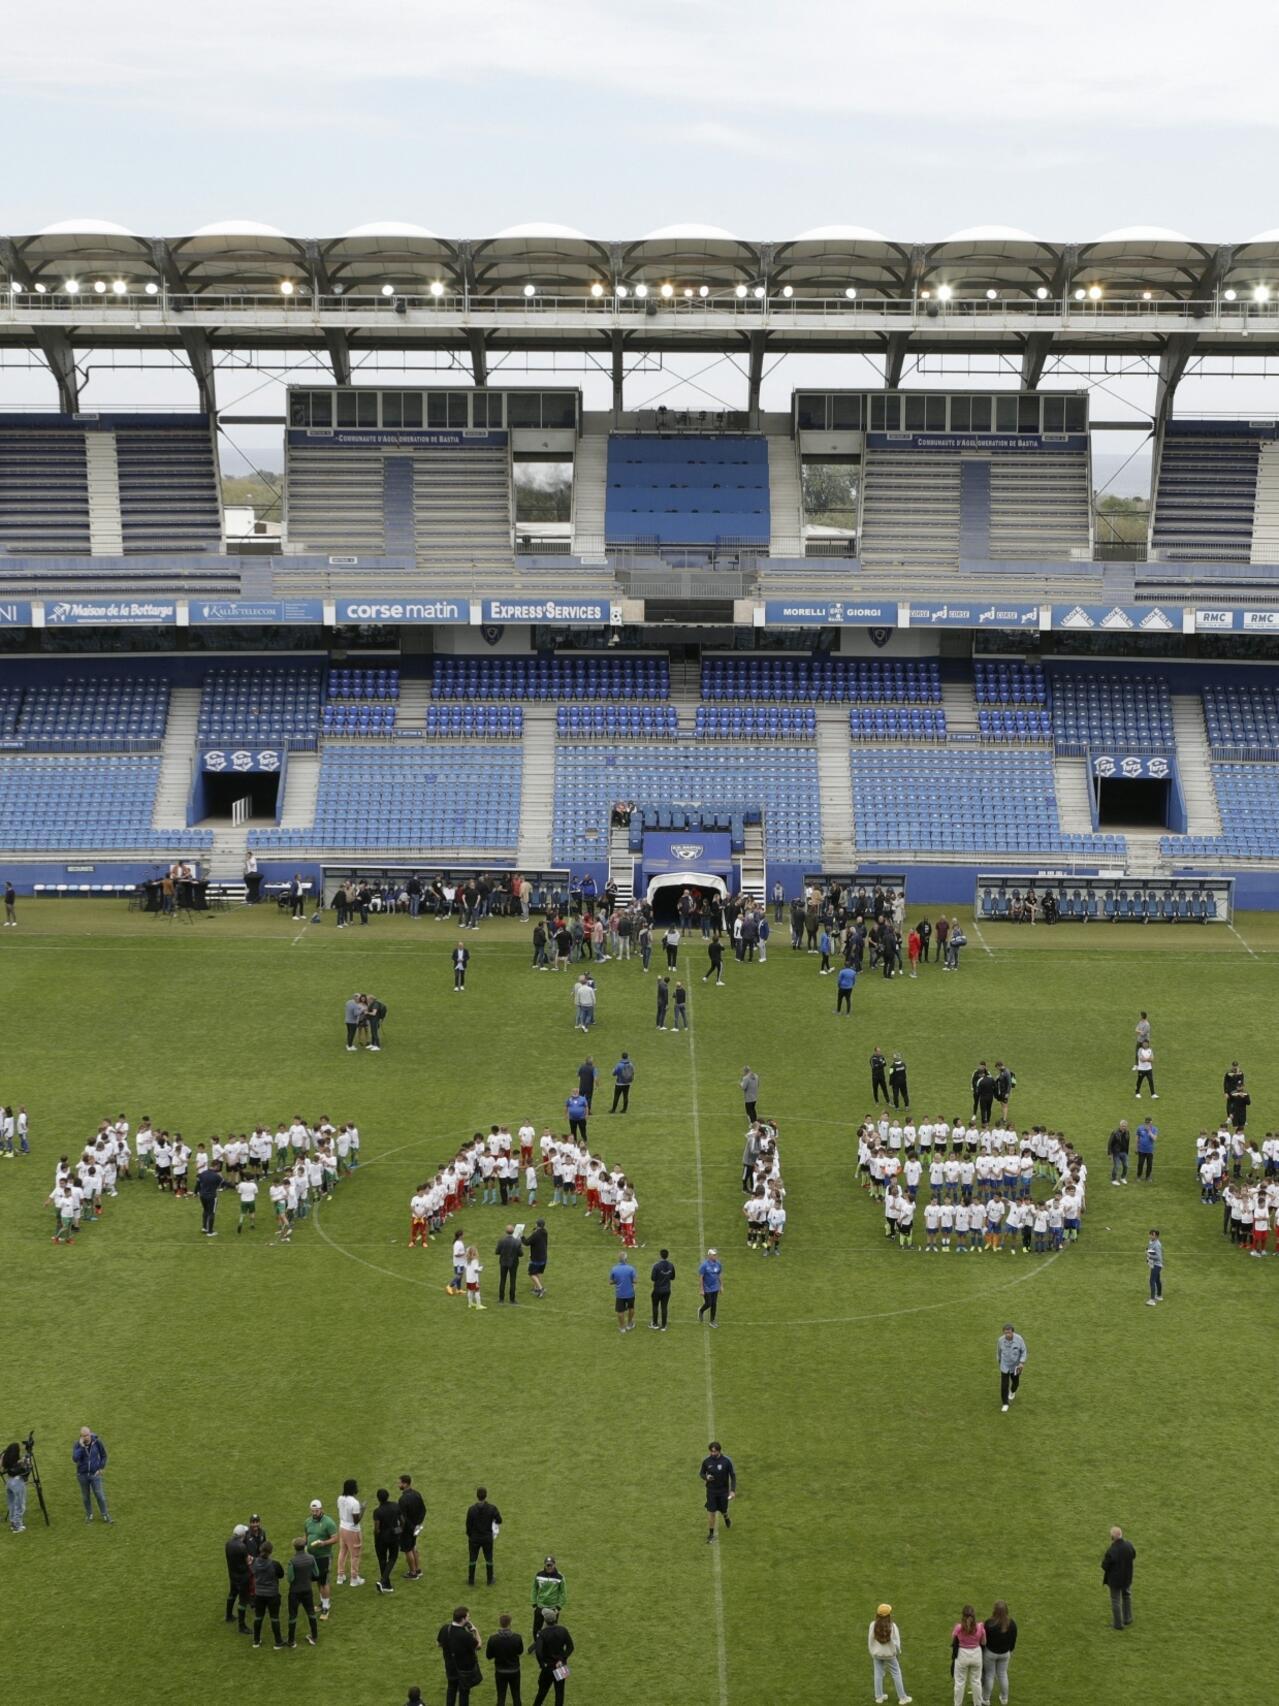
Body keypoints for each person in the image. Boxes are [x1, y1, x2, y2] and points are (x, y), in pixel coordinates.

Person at [867, 1603, 912, 1705]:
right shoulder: (892, 1626)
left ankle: (879, 1697)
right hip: (890, 1655)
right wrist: (897, 1652)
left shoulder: (872, 1625)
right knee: (896, 1674)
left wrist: (872, 1652)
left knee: (878, 1674)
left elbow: (870, 1640)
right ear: (888, 1615)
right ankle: (902, 1698)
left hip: (877, 1654)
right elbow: (897, 1642)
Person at [438, 1606, 483, 1706]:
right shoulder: (465, 1635)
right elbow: (479, 1646)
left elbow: (439, 1644)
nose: (469, 1618)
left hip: (450, 1667)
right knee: (464, 1693)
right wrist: (475, 1631)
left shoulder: (445, 1629)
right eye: (468, 1616)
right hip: (464, 1670)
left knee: (451, 1690)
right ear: (463, 1619)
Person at [531, 1607, 574, 1706]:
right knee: (560, 1693)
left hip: (548, 1667)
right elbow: (570, 1647)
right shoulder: (563, 1630)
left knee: (542, 1691)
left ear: (545, 1620)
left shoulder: (542, 1633)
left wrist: (542, 1664)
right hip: (561, 1666)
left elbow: (538, 1652)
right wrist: (562, 1659)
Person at [304, 1497, 339, 1619]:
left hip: (324, 1556)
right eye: (312, 1511)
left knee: (324, 1581)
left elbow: (335, 1538)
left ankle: (326, 1606)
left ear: (321, 1510)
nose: (314, 1513)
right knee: (318, 1580)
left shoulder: (328, 1522)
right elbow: (306, 1536)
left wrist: (324, 1543)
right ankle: (322, 1602)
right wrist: (304, 1546)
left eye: (317, 1511)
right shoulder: (308, 1522)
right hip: (312, 1557)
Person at [287, 1535, 321, 1646]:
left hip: (295, 1592)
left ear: (294, 1547)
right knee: (311, 1613)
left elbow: (290, 1579)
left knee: (293, 1616)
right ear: (304, 1546)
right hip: (307, 1589)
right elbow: (316, 1573)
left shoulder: (292, 1561)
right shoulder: (311, 1558)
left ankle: (291, 1641)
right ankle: (314, 1637)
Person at [486, 1611, 526, 1706]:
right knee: (516, 1695)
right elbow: (520, 1652)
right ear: (510, 1623)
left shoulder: (493, 1639)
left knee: (501, 1696)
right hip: (514, 1671)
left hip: (500, 1671)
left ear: (500, 1624)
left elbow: (489, 1656)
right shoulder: (517, 1638)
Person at [981, 1601, 1017, 1706]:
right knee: (1003, 1674)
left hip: (990, 1653)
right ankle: (1004, 1698)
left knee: (989, 1675)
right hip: (1005, 1654)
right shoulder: (1012, 1624)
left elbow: (984, 1640)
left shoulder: (989, 1623)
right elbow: (1013, 1639)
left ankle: (986, 1699)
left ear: (994, 1611)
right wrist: (1010, 1650)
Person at [251, 1541, 286, 1648]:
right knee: (274, 1618)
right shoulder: (274, 1564)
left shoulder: (254, 1562)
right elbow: (281, 1575)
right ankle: (278, 1642)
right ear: (270, 1551)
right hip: (272, 1594)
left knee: (258, 1617)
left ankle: (256, 1641)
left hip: (259, 1594)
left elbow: (254, 1573)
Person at [72, 1426, 110, 1523]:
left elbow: (104, 1455)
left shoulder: (97, 1442)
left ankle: (105, 1514)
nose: (86, 1437)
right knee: (86, 1497)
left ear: (90, 1433)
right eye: (84, 1436)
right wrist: (81, 1446)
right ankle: (89, 1515)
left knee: (99, 1495)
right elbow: (75, 1459)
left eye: (88, 1435)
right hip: (82, 1475)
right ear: (81, 1436)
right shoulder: (77, 1445)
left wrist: (101, 1468)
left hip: (95, 1474)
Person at [700, 1441, 736, 1542]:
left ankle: (726, 1517)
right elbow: (701, 1473)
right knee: (711, 1512)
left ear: (719, 1451)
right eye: (711, 1451)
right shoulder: (706, 1461)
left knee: (723, 1509)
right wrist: (706, 1477)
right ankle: (711, 1534)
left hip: (723, 1491)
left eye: (715, 1452)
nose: (713, 1453)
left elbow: (733, 1476)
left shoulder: (727, 1461)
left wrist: (732, 1490)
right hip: (711, 1491)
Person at [466, 1486, 502, 1586]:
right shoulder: (492, 1509)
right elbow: (499, 1520)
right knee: (489, 1558)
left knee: (472, 1559)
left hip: (474, 1538)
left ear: (477, 1496)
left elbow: (468, 1525)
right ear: (486, 1496)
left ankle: (471, 1580)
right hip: (487, 1538)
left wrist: (470, 1535)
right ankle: (490, 1580)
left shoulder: (471, 1510)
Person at [1101, 1525, 1136, 1629]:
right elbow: (1133, 1555)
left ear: (1112, 1537)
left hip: (1115, 1580)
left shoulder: (1112, 1550)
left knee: (1115, 1600)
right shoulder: (1129, 1545)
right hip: (1127, 1577)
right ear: (1121, 1534)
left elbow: (1104, 1566)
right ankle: (1127, 1618)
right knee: (1126, 1596)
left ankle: (1118, 1624)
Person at [950, 1606, 985, 1705]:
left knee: (959, 1682)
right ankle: (978, 1704)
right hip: (976, 1655)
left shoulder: (958, 1627)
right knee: (976, 1681)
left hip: (962, 1655)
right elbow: (984, 1642)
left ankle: (957, 1704)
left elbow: (953, 1638)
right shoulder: (980, 1627)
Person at [372, 1487, 402, 1594]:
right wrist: (398, 1531)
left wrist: (376, 1538)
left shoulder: (377, 1511)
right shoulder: (396, 1506)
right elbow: (402, 1521)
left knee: (382, 1560)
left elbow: (377, 1529)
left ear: (378, 1498)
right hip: (394, 1536)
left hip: (381, 1539)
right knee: (393, 1557)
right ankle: (385, 1583)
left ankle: (384, 1582)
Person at [397, 1473, 426, 1581]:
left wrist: (401, 1530)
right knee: (413, 1546)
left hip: (407, 1529)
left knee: (407, 1549)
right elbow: (423, 1510)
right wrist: (418, 1524)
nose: (398, 1485)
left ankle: (413, 1573)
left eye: (400, 1483)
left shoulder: (402, 1499)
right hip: (416, 1527)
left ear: (405, 1484)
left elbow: (403, 1519)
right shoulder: (417, 1494)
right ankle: (417, 1569)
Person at [336, 1477, 365, 1586]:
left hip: (342, 1527)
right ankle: (354, 1578)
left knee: (342, 1551)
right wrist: (363, 1509)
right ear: (352, 1488)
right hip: (352, 1530)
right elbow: (356, 1521)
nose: (357, 1488)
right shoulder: (355, 1502)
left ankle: (340, 1576)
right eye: (356, 1486)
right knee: (355, 1555)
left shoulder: (340, 1498)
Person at [195, 1158, 234, 1236]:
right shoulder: (216, 1176)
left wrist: (195, 1192)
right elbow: (225, 1184)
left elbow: (198, 1184)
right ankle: (210, 1232)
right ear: (216, 1166)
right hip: (212, 1197)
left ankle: (204, 1228)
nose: (219, 1168)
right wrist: (235, 1186)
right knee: (211, 1213)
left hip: (202, 1196)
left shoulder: (203, 1173)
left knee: (205, 1210)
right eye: (219, 1167)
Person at [531, 1555, 567, 1639]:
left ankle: (550, 1645)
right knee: (536, 1629)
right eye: (547, 1565)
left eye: (551, 1565)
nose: (549, 1567)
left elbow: (563, 1593)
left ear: (554, 1565)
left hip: (553, 1608)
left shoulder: (560, 1577)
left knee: (552, 1631)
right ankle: (537, 1643)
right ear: (545, 1565)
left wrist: (558, 1607)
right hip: (540, 1607)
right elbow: (534, 1589)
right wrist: (534, 1604)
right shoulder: (539, 1575)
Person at [224, 1522, 251, 1630]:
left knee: (232, 1594)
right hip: (243, 1577)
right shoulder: (242, 1546)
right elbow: (248, 1562)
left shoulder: (228, 1544)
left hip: (232, 1575)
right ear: (242, 1535)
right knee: (243, 1601)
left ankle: (228, 1615)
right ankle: (242, 1626)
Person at [996, 1323, 1027, 1412]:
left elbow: (1024, 1351)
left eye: (1009, 1333)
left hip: (1016, 1366)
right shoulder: (1000, 1340)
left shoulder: (1019, 1339)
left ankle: (1012, 1391)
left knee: (1015, 1383)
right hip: (1004, 1366)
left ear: (1013, 1332)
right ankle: (1005, 1403)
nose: (1007, 1335)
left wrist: (1021, 1363)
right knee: (1004, 1385)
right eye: (1005, 1333)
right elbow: (998, 1352)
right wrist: (1000, 1362)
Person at [609, 1253, 637, 1333]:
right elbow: (635, 1281)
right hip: (630, 1293)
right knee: (631, 1308)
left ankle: (622, 1328)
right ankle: (629, 1324)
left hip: (620, 1294)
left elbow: (610, 1282)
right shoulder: (631, 1268)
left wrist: (617, 1281)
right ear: (626, 1259)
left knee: (620, 1311)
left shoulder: (614, 1269)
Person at [496, 1225, 523, 1305]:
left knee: (502, 1280)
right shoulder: (517, 1242)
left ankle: (501, 1299)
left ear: (506, 1231)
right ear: (513, 1231)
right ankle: (512, 1300)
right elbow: (521, 1254)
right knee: (513, 1280)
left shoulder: (501, 1241)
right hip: (513, 1263)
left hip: (503, 1262)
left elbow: (497, 1252)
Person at [522, 1218, 549, 1298]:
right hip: (544, 1257)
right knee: (537, 1272)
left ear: (537, 1225)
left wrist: (521, 1236)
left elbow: (526, 1242)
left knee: (532, 1273)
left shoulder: (536, 1234)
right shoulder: (545, 1232)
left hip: (536, 1258)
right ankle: (536, 1288)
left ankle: (540, 1289)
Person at [650, 1248, 676, 1330]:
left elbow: (653, 1278)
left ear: (660, 1255)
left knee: (655, 1306)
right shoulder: (671, 1265)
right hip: (667, 1290)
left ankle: (655, 1324)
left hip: (657, 1290)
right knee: (664, 1307)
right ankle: (664, 1326)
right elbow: (672, 1277)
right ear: (667, 1256)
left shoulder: (656, 1266)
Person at [697, 1248, 723, 1325]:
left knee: (714, 1304)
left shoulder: (718, 1264)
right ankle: (701, 1310)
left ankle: (712, 1321)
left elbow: (719, 1274)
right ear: (709, 1256)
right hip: (707, 1288)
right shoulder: (704, 1265)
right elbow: (701, 1277)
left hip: (715, 1287)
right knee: (708, 1303)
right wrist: (701, 1289)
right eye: (714, 1255)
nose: (716, 1256)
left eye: (716, 1254)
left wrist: (721, 1286)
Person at [1108, 1120, 1130, 1186]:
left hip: (1124, 1152)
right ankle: (1114, 1179)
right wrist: (1109, 1153)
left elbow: (1127, 1142)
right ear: (1120, 1126)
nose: (1124, 1127)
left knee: (1126, 1166)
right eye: (1123, 1126)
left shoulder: (1127, 1132)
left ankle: (1123, 1177)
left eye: (1125, 1126)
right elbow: (1110, 1143)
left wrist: (1127, 1151)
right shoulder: (1115, 1133)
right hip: (1116, 1152)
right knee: (1116, 1166)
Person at [1146, 1229, 1163, 1305]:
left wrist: (1149, 1256)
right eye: (1150, 1234)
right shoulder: (1151, 1241)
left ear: (1156, 1236)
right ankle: (1159, 1296)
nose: (1150, 1236)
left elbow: (1158, 1257)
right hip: (1153, 1264)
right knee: (1157, 1280)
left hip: (1157, 1265)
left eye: (1152, 1235)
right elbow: (1151, 1250)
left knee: (1152, 1281)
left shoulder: (1157, 1244)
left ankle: (1152, 1300)